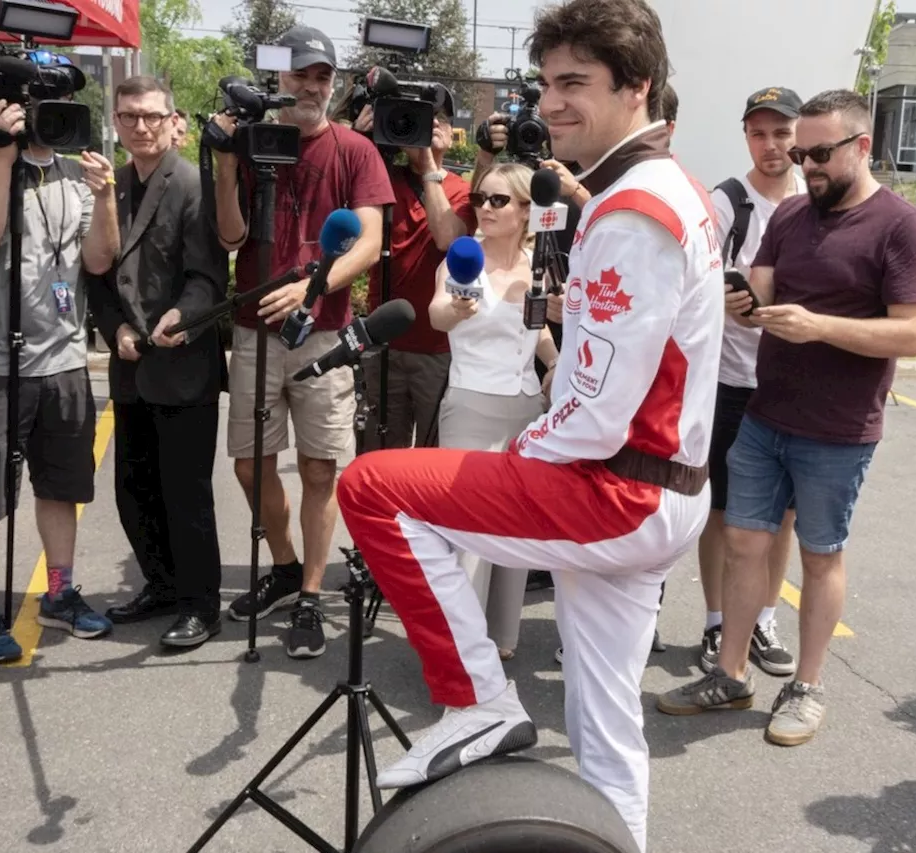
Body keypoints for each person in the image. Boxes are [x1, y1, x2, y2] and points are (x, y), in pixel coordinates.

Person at [334, 0, 724, 848]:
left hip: (616, 488)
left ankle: (477, 700)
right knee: (607, 723)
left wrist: (510, 457)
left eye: (575, 83)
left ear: (639, 86)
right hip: (661, 491)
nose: (550, 104)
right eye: (546, 83)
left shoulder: (633, 211)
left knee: (371, 485)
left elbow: (593, 410)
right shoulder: (669, 188)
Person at [657, 90, 916, 747]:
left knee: (819, 556)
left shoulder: (902, 227)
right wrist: (741, 304)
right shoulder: (788, 216)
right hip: (765, 411)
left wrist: (817, 328)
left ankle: (806, 687)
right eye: (798, 151)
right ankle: (730, 671)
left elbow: (910, 334)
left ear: (861, 146)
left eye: (817, 152)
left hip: (837, 428)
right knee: (745, 543)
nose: (802, 162)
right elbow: (764, 289)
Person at [211, 25, 394, 659]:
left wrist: (313, 288)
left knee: (320, 467)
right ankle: (285, 566)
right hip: (252, 330)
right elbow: (232, 239)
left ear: (332, 84)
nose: (311, 86)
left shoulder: (354, 151)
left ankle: (312, 591)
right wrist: (227, 160)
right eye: (299, 75)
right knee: (247, 462)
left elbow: (368, 243)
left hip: (324, 333)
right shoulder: (252, 144)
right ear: (278, 79)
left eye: (322, 76)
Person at [0, 70, 121, 663]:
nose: (56, 116)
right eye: (43, 106)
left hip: (63, 357)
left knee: (61, 485)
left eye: (65, 105)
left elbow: (99, 258)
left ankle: (59, 592)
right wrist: (2, 153)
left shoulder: (74, 169)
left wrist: (104, 196)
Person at [93, 76, 230, 647]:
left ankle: (201, 602)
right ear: (117, 122)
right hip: (130, 367)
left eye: (151, 116)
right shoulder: (113, 185)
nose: (141, 127)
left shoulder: (194, 185)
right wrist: (116, 327)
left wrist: (182, 316)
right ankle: (162, 584)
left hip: (182, 363)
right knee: (134, 488)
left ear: (173, 120)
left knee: (186, 492)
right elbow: (96, 272)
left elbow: (208, 277)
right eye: (129, 117)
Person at [692, 87, 805, 678]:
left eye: (782, 133)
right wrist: (725, 303)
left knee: (782, 515)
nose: (771, 146)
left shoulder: (814, 202)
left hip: (790, 382)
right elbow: (695, 277)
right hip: (729, 381)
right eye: (759, 134)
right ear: (746, 138)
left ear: (800, 136)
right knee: (722, 512)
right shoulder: (725, 202)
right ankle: (716, 623)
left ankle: (762, 619)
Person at [428, 162, 559, 661]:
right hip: (469, 404)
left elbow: (536, 330)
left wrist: (557, 363)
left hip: (526, 408)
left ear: (527, 210)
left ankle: (501, 639)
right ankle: (459, 648)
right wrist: (455, 309)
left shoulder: (539, 266)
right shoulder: (462, 261)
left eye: (498, 200)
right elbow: (438, 314)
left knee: (514, 531)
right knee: (466, 535)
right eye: (480, 198)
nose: (484, 207)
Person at [348, 88, 475, 451]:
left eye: (440, 119)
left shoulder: (461, 190)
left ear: (453, 134)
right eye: (420, 117)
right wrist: (360, 139)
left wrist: (429, 169)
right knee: (379, 452)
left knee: (432, 456)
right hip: (383, 343)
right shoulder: (380, 178)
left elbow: (447, 239)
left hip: (436, 349)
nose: (431, 125)